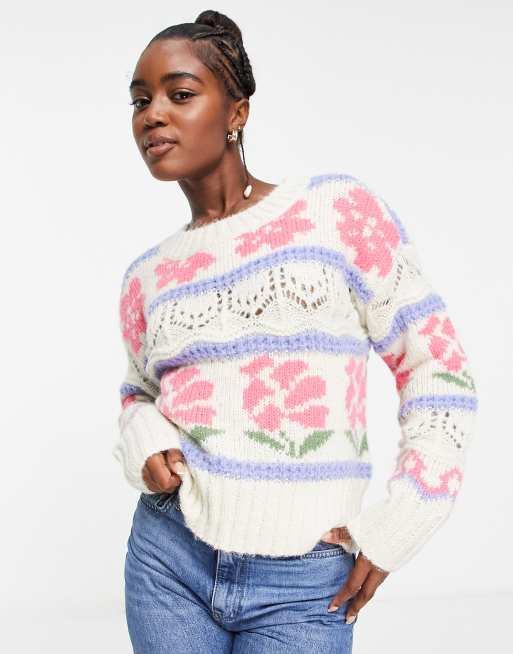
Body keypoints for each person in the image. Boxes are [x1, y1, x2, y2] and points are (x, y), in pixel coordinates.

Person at [112, 9, 479, 654]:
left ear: (237, 112)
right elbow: (138, 393)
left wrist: (405, 519)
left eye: (180, 93)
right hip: (168, 560)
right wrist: (142, 433)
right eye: (140, 100)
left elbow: (437, 366)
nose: (152, 115)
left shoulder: (335, 214)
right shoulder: (145, 277)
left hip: (307, 579)